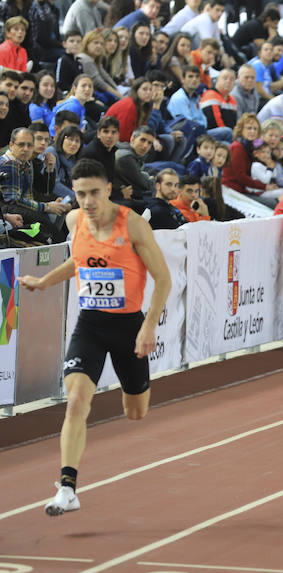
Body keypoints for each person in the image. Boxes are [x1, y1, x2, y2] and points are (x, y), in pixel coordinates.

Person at [18, 157, 171, 516]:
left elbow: (163, 278)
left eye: (94, 193)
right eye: (81, 193)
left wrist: (149, 326)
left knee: (136, 412)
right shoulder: (74, 221)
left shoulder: (132, 225)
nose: (87, 201)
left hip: (129, 327)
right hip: (90, 325)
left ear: (108, 190)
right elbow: (81, 262)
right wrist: (43, 282)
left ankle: (134, 387)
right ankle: (67, 488)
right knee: (75, 401)